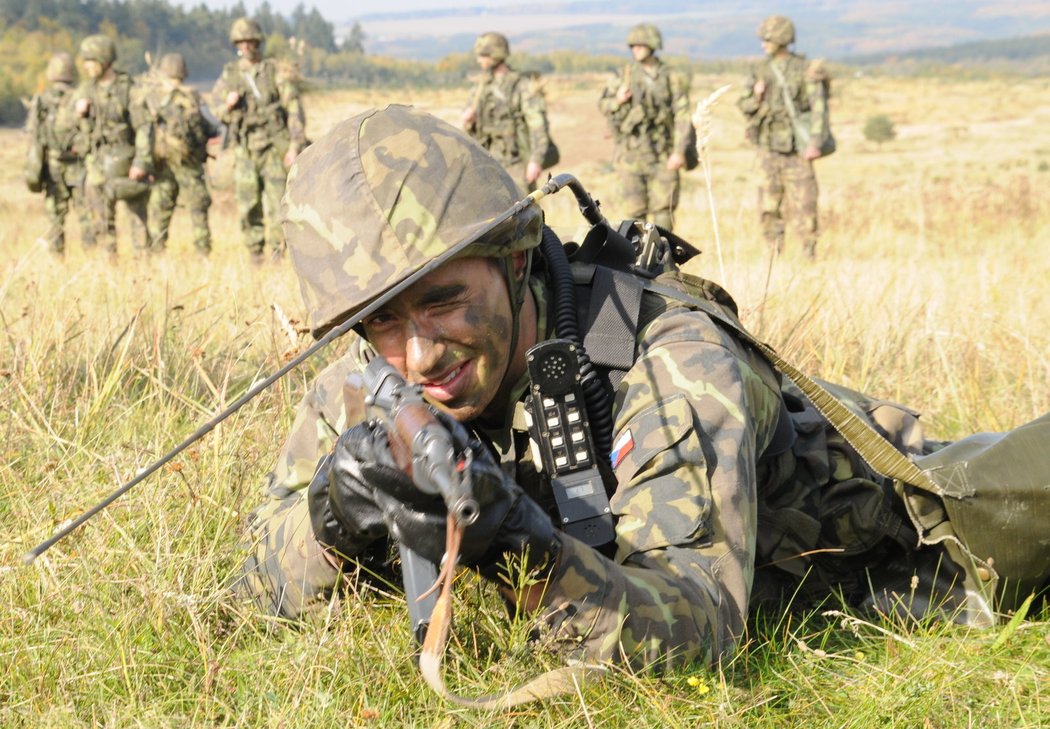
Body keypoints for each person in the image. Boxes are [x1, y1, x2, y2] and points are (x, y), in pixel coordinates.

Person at [234, 105, 1048, 673]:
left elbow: (700, 628)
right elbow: (251, 587)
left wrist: (518, 549)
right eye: (382, 322)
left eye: (445, 300)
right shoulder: (372, 386)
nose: (419, 352)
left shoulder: (667, 360)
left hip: (913, 552)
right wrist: (331, 521)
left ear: (515, 261)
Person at [212, 17, 307, 264]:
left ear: (257, 42)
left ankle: (278, 253)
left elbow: (294, 108)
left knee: (278, 203)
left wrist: (295, 145)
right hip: (245, 148)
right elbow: (215, 110)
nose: (246, 46)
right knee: (247, 204)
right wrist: (228, 104)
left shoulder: (273, 71)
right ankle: (255, 254)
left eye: (250, 41)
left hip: (272, 146)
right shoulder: (230, 74)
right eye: (241, 42)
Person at [737, 15, 831, 259]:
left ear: (781, 38)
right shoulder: (759, 70)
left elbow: (819, 108)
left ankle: (809, 255)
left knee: (806, 204)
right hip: (768, 149)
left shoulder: (804, 69)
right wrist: (757, 96)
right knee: (768, 206)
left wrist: (814, 143)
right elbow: (744, 104)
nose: (763, 44)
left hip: (797, 150)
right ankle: (773, 255)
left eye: (767, 39)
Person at [598, 23, 692, 232]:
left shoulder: (671, 77)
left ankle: (662, 257)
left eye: (641, 45)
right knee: (633, 213)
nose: (636, 49)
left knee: (663, 210)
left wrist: (678, 152)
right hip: (631, 154)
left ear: (653, 45)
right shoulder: (624, 76)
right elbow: (603, 104)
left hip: (662, 152)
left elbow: (683, 115)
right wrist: (618, 101)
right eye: (633, 45)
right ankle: (635, 260)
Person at [74, 34, 154, 257]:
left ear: (104, 60)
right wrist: (81, 114)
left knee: (137, 216)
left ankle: (144, 264)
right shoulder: (86, 90)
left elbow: (144, 127)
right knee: (100, 217)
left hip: (126, 160)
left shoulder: (127, 88)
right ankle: (108, 262)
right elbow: (78, 132)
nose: (87, 66)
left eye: (91, 61)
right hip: (97, 162)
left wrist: (141, 162)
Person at [144, 53, 221, 255]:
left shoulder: (154, 99)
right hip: (190, 165)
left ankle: (156, 252)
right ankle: (202, 253)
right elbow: (212, 127)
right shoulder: (193, 98)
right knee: (198, 210)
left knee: (160, 211)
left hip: (163, 165)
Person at [461, 32, 556, 194]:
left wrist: (536, 161)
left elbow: (538, 127)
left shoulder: (521, 86)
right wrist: (469, 120)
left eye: (483, 55)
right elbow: (470, 133)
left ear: (496, 54)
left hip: (516, 164)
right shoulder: (480, 88)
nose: (479, 60)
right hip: (486, 164)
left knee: (523, 214)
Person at [24, 52, 94, 256]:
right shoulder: (80, 98)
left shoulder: (42, 99)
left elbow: (33, 132)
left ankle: (57, 256)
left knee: (55, 218)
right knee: (86, 215)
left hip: (53, 166)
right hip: (80, 166)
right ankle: (92, 255)